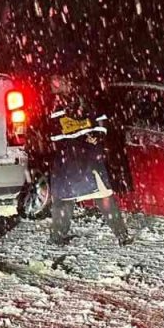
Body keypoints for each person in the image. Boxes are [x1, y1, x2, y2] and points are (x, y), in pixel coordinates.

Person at [45, 74, 131, 246]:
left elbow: (101, 120)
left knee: (104, 196)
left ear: (67, 82)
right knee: (63, 199)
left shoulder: (85, 98)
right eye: (52, 82)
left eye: (58, 81)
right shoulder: (51, 105)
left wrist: (97, 135)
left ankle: (121, 235)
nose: (54, 85)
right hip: (68, 159)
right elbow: (52, 133)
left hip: (89, 157)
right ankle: (57, 236)